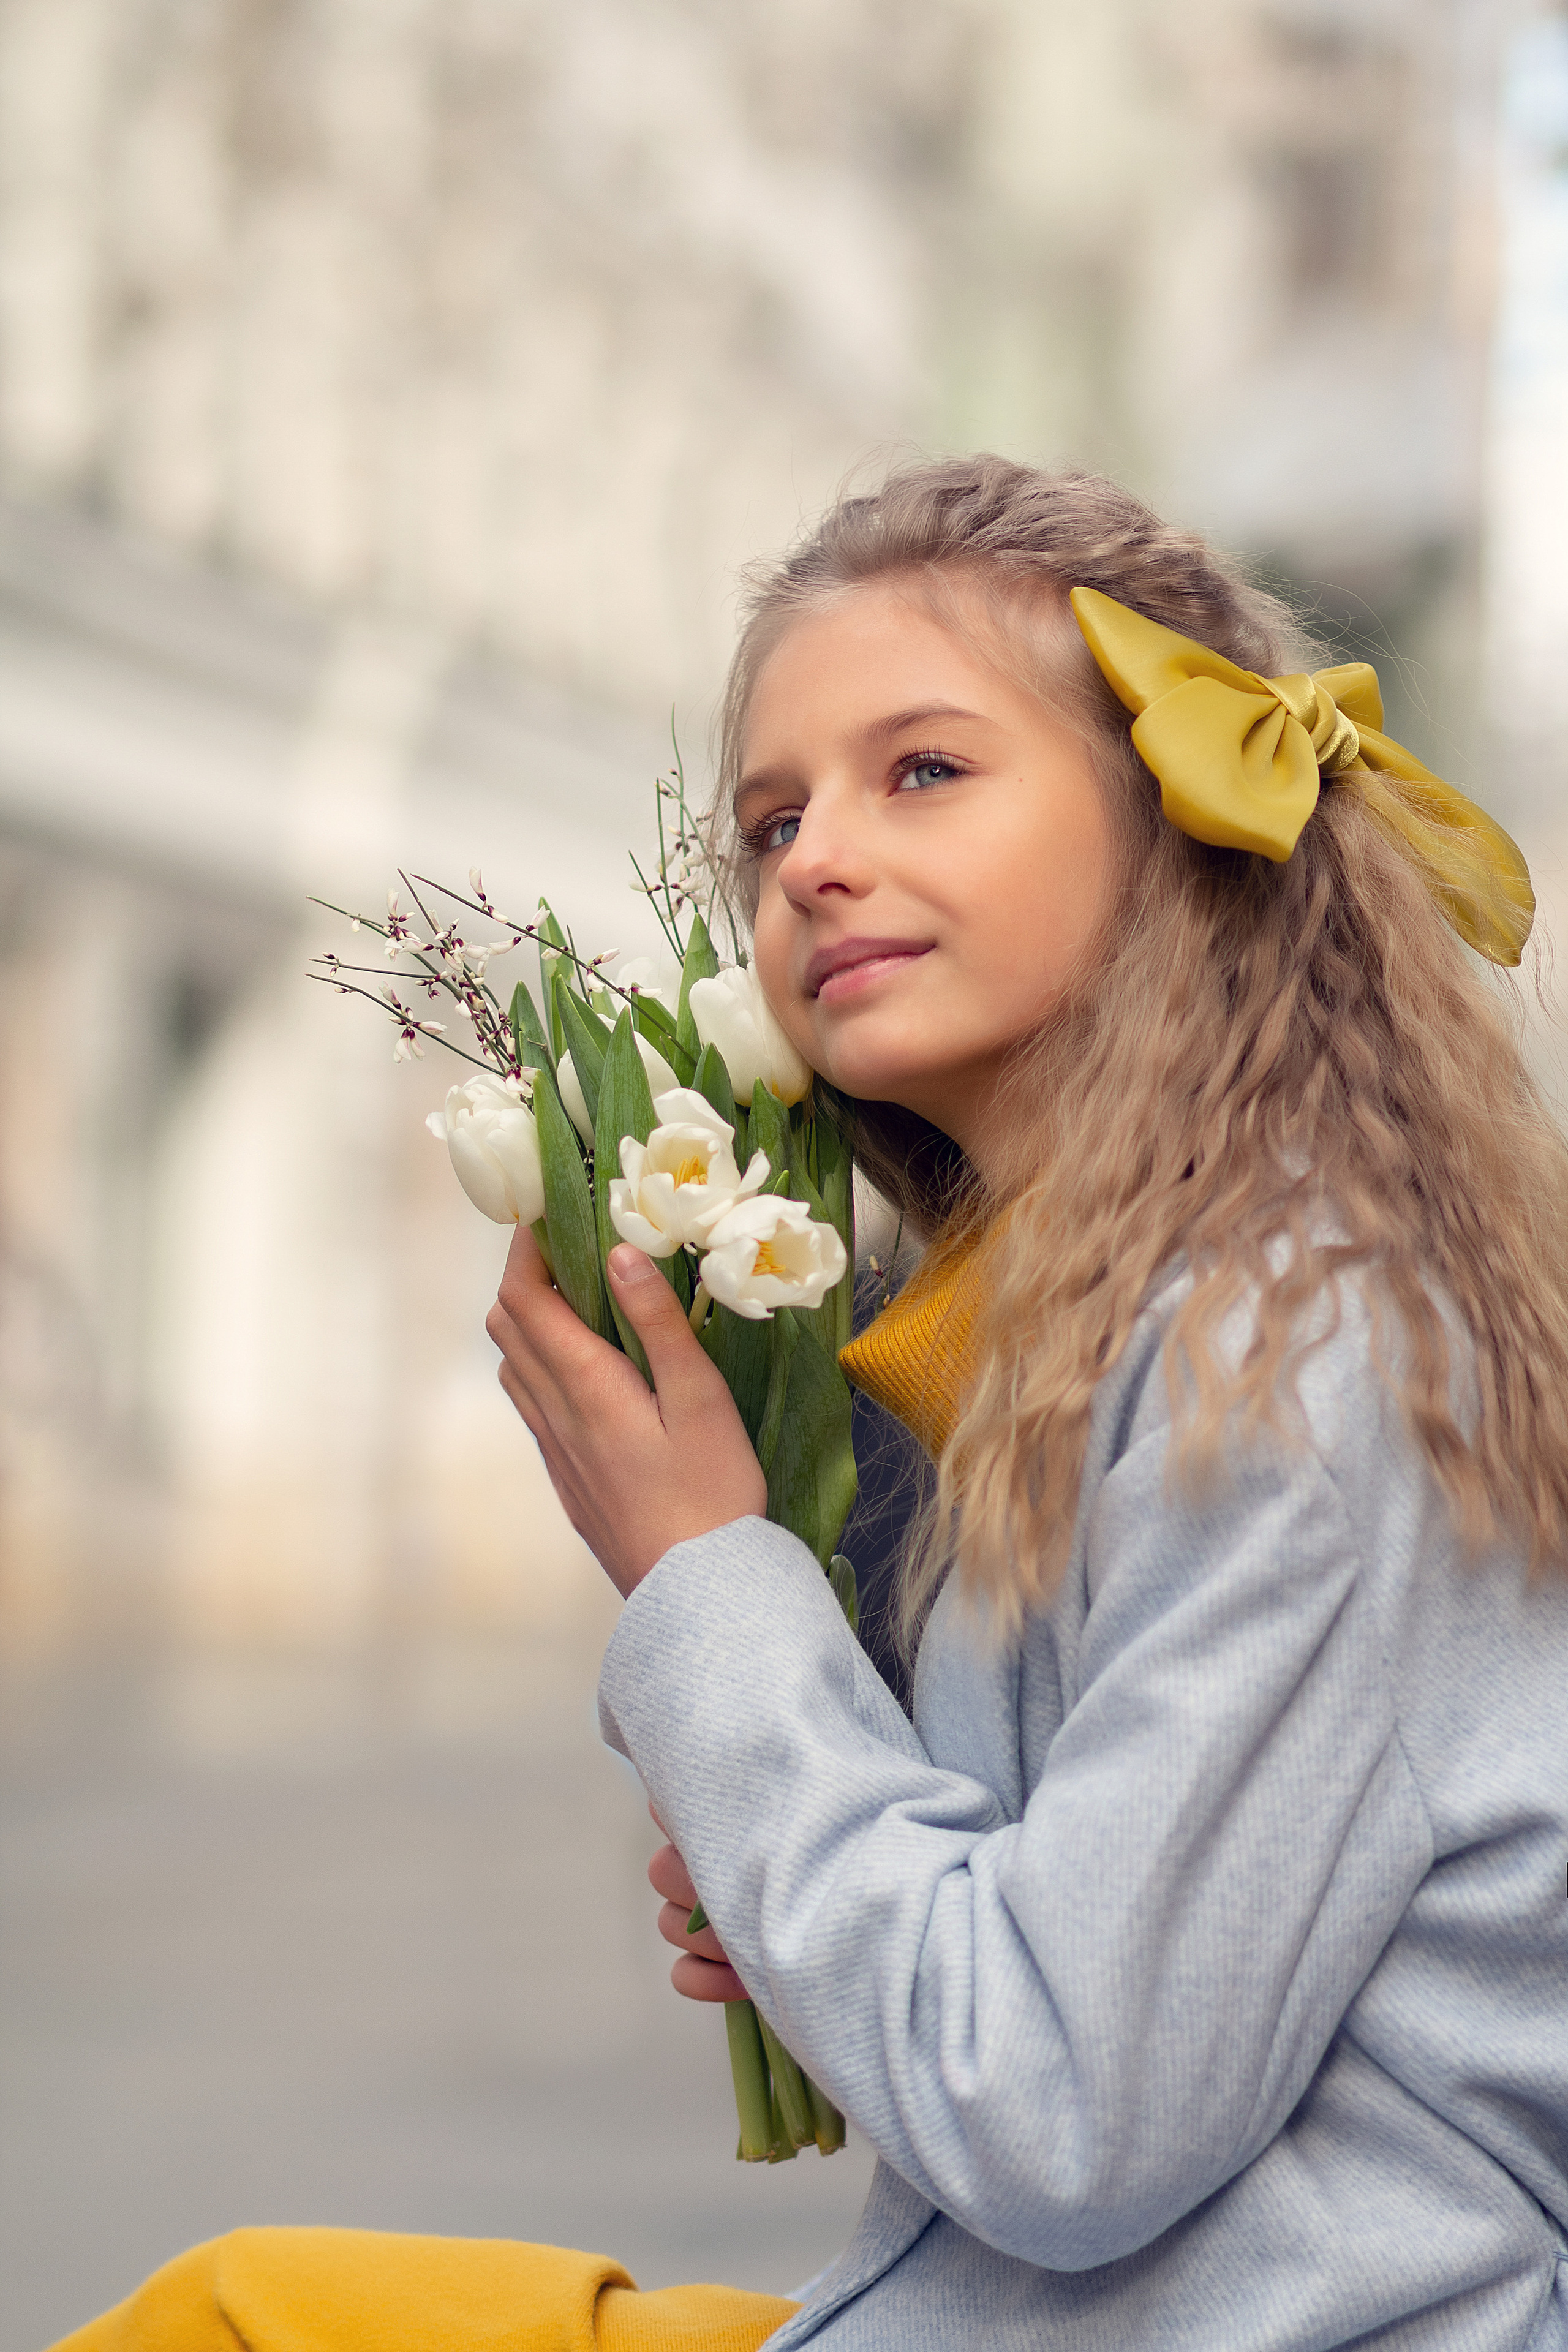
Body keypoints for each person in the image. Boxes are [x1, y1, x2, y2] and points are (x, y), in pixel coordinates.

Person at [53, 456, 1568, 2351]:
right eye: (770, 820)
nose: (813, 860)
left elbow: (1060, 2115)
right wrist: (822, 1868)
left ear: (1172, 816)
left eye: (921, 771)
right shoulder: (1053, 1328)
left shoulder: (1304, 1347)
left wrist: (705, 1575)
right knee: (244, 2306)